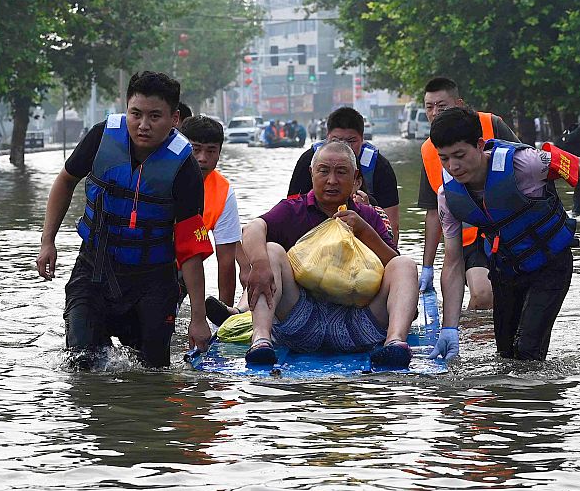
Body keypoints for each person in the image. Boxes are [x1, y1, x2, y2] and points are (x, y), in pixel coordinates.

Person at [36, 71, 214, 368]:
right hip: (95, 269)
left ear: (174, 118)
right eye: (136, 114)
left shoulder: (184, 167)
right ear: (126, 109)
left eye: (155, 116)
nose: (143, 125)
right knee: (82, 363)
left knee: (154, 373)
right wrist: (47, 242)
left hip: (153, 280)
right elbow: (66, 181)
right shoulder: (101, 137)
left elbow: (191, 248)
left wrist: (198, 318)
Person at [428, 107, 580, 362]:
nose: (453, 166)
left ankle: (541, 400)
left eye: (459, 155)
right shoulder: (448, 197)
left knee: (528, 351)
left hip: (550, 264)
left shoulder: (525, 164)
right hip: (506, 271)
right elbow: (453, 261)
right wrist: (450, 328)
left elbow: (573, 165)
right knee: (505, 357)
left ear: (480, 145)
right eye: (444, 158)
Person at [242, 141, 419, 369]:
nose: (332, 181)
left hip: (358, 324)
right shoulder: (293, 209)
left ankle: (395, 343)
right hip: (301, 322)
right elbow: (253, 227)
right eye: (324, 171)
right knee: (271, 250)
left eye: (341, 172)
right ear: (312, 174)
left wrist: (364, 231)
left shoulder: (368, 216)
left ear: (356, 178)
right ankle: (261, 340)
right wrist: (259, 264)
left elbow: (392, 264)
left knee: (404, 264)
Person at [416, 77, 518, 310]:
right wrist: (428, 267)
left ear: (459, 104)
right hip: (468, 236)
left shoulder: (492, 124)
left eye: (442, 106)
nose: (434, 113)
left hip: (509, 228)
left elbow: (527, 168)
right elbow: (433, 212)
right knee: (483, 295)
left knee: (512, 299)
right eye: (429, 107)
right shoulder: (428, 150)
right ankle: (465, 339)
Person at [287, 106, 401, 244]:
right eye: (323, 171)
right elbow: (290, 211)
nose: (345, 147)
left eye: (351, 141)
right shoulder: (308, 160)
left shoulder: (380, 167)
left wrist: (366, 213)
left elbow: (392, 226)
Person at [178, 115, 249, 307]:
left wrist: (223, 318)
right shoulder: (159, 175)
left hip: (182, 273)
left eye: (211, 151)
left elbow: (226, 262)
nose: (202, 159)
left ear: (219, 153)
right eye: (196, 150)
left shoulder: (223, 192)